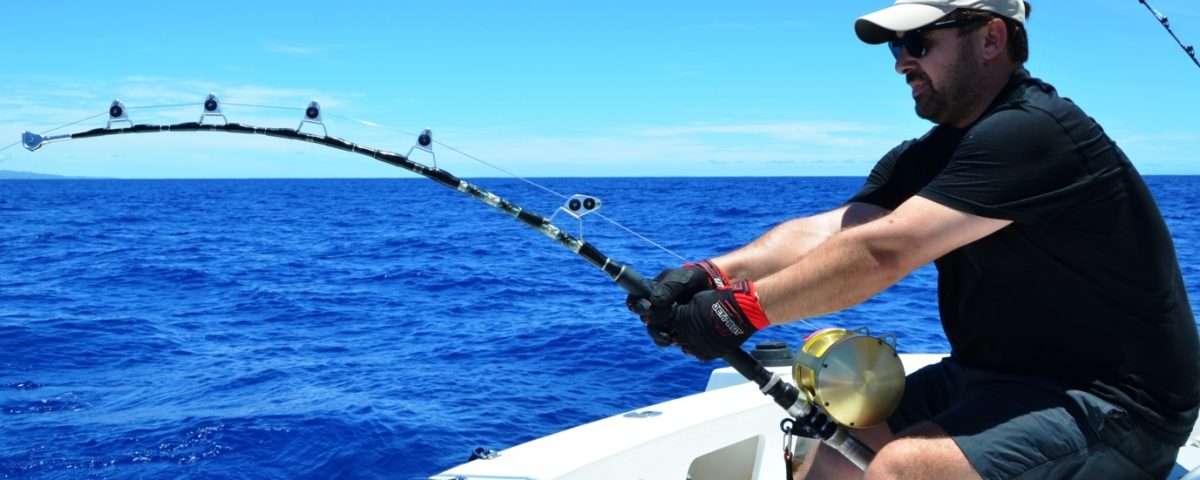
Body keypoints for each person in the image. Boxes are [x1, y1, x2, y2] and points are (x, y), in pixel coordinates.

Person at [629, 0, 1200, 478]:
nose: (901, 62)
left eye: (919, 42)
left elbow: (885, 251)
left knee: (905, 468)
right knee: (832, 455)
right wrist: (709, 275)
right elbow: (831, 229)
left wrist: (740, 313)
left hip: (1113, 405)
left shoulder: (1035, 131)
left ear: (991, 38)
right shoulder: (929, 153)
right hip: (989, 376)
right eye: (894, 47)